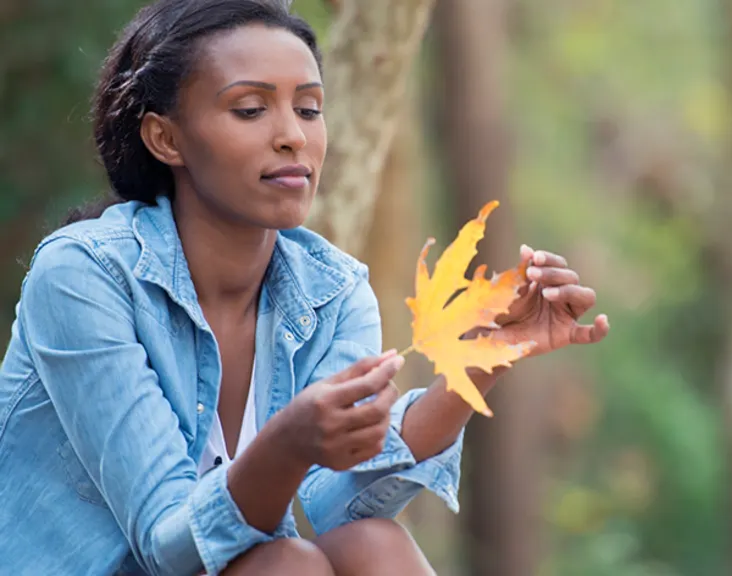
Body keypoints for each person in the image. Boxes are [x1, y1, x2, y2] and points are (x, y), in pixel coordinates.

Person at [0, 0, 609, 574]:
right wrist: (285, 446)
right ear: (166, 139)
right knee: (285, 563)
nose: (293, 135)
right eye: (250, 109)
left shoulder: (333, 292)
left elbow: (337, 503)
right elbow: (168, 546)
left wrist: (474, 364)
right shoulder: (84, 278)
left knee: (369, 540)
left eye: (310, 108)